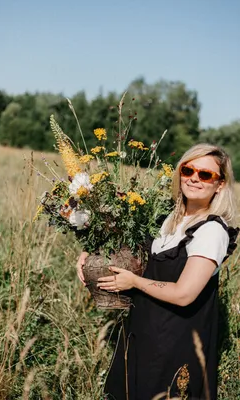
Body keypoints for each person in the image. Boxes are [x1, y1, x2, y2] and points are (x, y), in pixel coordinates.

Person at [76, 144, 239, 400]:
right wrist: (90, 253)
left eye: (205, 174)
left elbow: (184, 294)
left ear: (220, 184)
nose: (194, 178)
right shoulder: (166, 216)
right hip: (141, 336)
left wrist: (133, 282)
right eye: (188, 170)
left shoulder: (212, 231)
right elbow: (127, 250)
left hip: (175, 347)